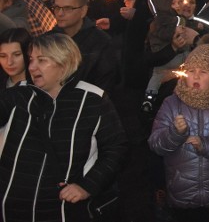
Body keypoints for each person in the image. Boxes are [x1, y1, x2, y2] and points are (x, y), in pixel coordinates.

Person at [0, 33, 127, 222]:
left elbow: (117, 148)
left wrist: (87, 186)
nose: (32, 67)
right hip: (11, 208)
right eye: (32, 60)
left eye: (42, 60)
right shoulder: (17, 96)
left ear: (64, 63)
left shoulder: (92, 99)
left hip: (62, 210)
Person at [149, 44, 209, 221]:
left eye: (203, 71)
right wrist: (175, 134)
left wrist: (204, 145)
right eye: (191, 70)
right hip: (181, 195)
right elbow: (155, 144)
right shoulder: (171, 103)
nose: (196, 75)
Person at [50, 0, 117, 94]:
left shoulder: (101, 42)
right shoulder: (48, 41)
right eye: (57, 8)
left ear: (83, 11)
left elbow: (106, 84)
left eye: (67, 8)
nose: (60, 13)